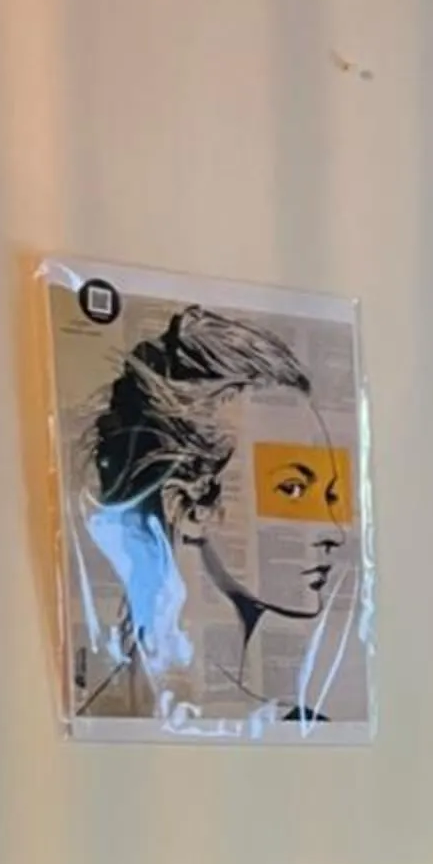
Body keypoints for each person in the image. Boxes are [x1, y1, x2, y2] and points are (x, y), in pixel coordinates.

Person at [73, 304, 352, 725]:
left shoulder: (99, 712)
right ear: (186, 507)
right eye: (291, 488)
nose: (332, 531)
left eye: (331, 496)